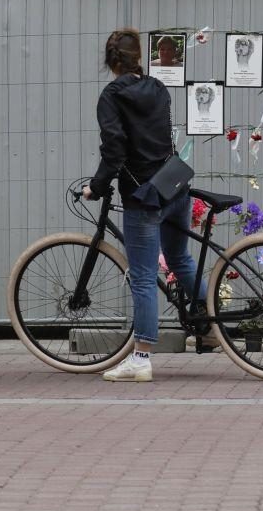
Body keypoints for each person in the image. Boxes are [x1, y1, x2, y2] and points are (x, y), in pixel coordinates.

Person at [84, 29, 207, 383]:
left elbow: (115, 148)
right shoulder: (157, 87)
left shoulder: (111, 96)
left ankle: (141, 357)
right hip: (174, 186)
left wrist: (97, 186)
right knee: (181, 259)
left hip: (143, 195)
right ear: (139, 57)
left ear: (111, 60)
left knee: (141, 276)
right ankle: (210, 324)